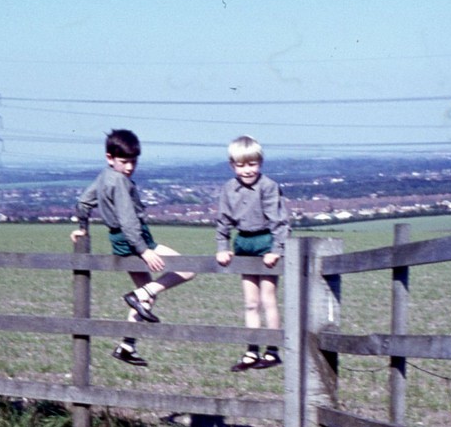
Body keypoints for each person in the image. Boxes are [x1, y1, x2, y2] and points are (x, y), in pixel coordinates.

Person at [70, 129, 195, 367]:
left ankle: (127, 346)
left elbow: (83, 202)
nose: (129, 167)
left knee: (146, 293)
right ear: (110, 157)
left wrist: (83, 228)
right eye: (124, 161)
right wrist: (144, 250)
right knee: (188, 267)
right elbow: (128, 220)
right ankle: (138, 296)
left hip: (120, 241)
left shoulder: (104, 176)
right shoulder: (119, 181)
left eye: (133, 162)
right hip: (135, 239)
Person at [214, 135, 290, 372]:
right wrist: (223, 247)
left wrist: (276, 250)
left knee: (268, 299)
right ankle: (251, 350)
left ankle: (273, 351)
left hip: (265, 242)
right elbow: (223, 220)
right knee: (250, 302)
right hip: (243, 244)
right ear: (232, 165)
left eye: (252, 164)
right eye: (241, 165)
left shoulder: (268, 186)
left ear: (260, 163)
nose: (247, 170)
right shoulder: (229, 189)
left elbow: (279, 221)